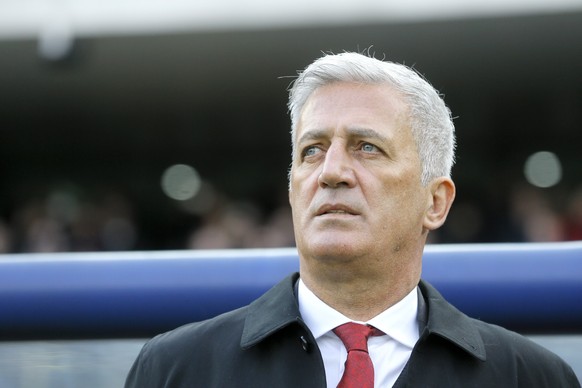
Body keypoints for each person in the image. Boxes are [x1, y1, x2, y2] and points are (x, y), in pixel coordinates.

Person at [125, 52, 580, 387]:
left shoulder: (534, 379)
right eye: (311, 150)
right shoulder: (174, 370)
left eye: (367, 147)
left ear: (435, 202)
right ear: (292, 188)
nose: (332, 172)